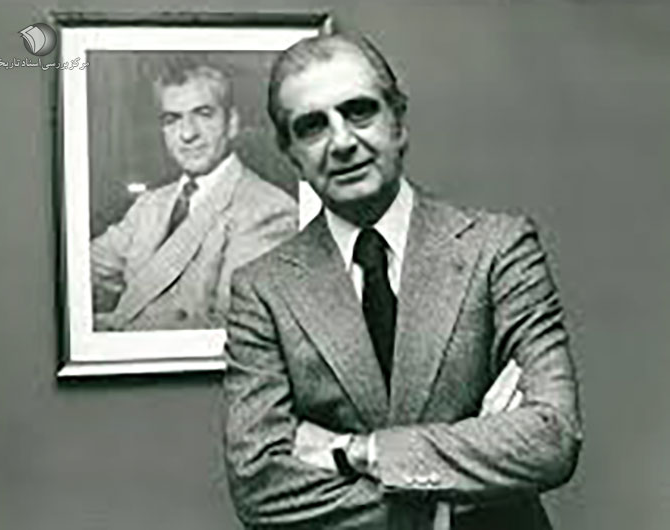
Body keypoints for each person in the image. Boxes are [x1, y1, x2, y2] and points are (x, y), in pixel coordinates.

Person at [223, 33, 582, 530]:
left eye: (359, 112)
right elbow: (259, 488)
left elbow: (550, 438)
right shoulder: (262, 290)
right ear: (290, 154)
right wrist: (456, 490)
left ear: (398, 121)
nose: (342, 142)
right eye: (312, 126)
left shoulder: (499, 248)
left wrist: (356, 451)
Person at [90, 59, 298, 331]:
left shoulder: (269, 211)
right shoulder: (151, 204)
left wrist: (110, 332)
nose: (187, 134)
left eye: (203, 114)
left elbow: (237, 331)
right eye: (172, 119)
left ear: (232, 124)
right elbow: (86, 271)